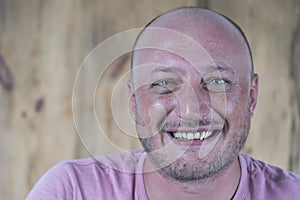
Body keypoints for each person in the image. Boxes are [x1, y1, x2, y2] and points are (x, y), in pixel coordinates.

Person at [27, 7, 300, 200]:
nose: (192, 111)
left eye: (218, 82)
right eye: (164, 84)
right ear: (134, 102)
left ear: (252, 96)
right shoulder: (72, 191)